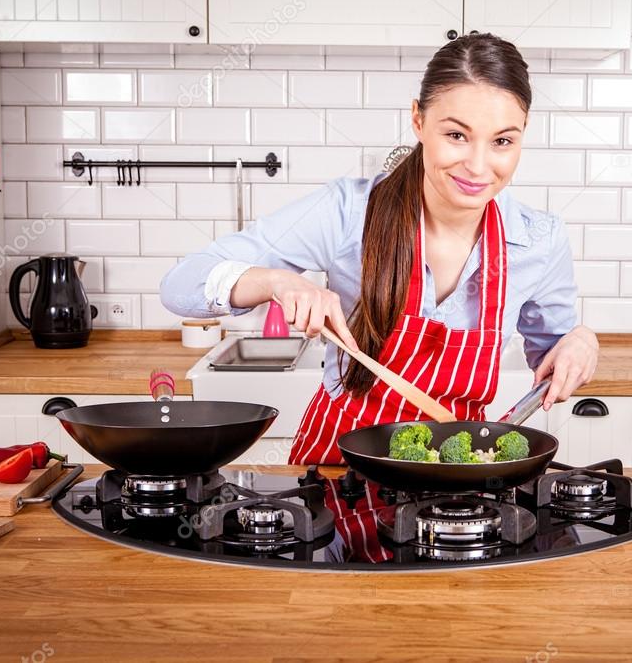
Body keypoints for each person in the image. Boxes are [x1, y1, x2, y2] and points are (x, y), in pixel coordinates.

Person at [161, 32, 598, 467]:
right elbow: (180, 285)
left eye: (502, 141)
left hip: (456, 482)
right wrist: (274, 281)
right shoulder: (348, 212)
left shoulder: (539, 240)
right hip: (336, 473)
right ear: (418, 121)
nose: (479, 166)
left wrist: (579, 343)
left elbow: (554, 355)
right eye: (457, 135)